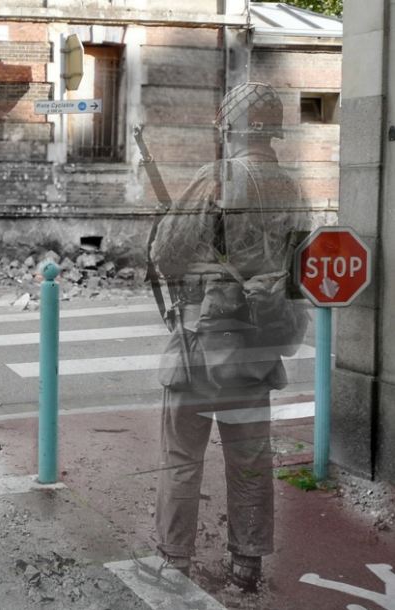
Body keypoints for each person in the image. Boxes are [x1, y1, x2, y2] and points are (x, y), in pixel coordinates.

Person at [148, 82, 308, 591]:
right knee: (250, 460)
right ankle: (246, 566)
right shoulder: (293, 188)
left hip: (200, 349)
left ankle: (173, 561)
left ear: (229, 126)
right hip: (257, 350)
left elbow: (166, 256)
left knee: (182, 459)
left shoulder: (215, 177)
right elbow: (298, 270)